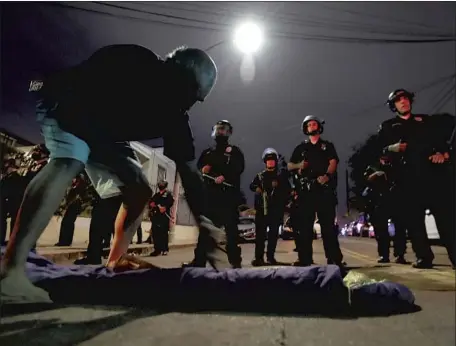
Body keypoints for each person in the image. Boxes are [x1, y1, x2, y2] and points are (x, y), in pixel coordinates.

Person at [0, 44, 223, 303]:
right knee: (69, 161)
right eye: (188, 93)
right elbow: (83, 88)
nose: (187, 104)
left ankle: (114, 262)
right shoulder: (134, 60)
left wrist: (204, 225)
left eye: (194, 100)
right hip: (67, 105)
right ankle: (10, 272)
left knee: (139, 190)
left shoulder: (176, 117)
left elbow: (189, 172)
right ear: (175, 71)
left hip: (104, 136)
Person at [378, 89, 453, 268]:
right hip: (407, 179)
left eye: (406, 99)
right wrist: (391, 149)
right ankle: (424, 257)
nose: (403, 102)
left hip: (432, 176)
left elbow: (441, 142)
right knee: (415, 221)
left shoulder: (425, 121)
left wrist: (443, 153)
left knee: (446, 219)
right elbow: (379, 151)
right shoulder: (388, 126)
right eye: (398, 100)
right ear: (393, 105)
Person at [184, 120, 245, 268]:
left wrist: (225, 176)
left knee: (231, 232)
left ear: (228, 132)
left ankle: (235, 263)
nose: (220, 132)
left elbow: (239, 167)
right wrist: (204, 169)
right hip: (211, 198)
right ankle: (199, 261)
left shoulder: (234, 151)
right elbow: (200, 168)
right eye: (218, 129)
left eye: (223, 129)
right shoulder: (208, 152)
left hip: (228, 198)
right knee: (206, 230)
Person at [288, 116, 344, 267]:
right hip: (306, 192)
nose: (312, 126)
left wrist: (327, 176)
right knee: (305, 228)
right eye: (309, 125)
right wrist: (299, 165)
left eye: (314, 124)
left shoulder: (327, 146)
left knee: (328, 227)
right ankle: (305, 258)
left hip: (324, 191)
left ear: (319, 127)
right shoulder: (301, 148)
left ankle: (334, 259)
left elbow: (333, 162)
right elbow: (289, 165)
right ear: (306, 129)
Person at [250, 148, 291, 266]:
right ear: (265, 162)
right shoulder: (260, 176)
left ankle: (270, 257)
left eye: (272, 160)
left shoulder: (280, 176)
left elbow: (288, 190)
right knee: (260, 237)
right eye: (268, 160)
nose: (270, 162)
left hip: (275, 211)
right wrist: (256, 188)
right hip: (261, 210)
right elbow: (252, 185)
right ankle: (259, 258)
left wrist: (279, 188)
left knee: (273, 236)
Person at [148, 180, 174, 256]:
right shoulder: (156, 195)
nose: (160, 185)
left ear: (165, 186)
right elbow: (151, 202)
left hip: (164, 216)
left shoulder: (168, 194)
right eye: (159, 184)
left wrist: (165, 207)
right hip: (156, 216)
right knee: (155, 233)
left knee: (163, 233)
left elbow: (171, 202)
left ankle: (165, 249)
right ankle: (157, 250)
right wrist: (151, 204)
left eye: (162, 184)